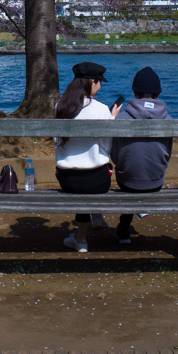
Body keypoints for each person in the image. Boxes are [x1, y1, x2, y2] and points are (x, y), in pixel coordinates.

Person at [55, 61, 122, 252]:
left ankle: (85, 233)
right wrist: (111, 119)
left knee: (81, 177)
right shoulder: (101, 109)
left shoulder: (59, 106)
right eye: (99, 82)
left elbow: (57, 143)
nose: (100, 87)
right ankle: (83, 234)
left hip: (68, 180)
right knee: (96, 170)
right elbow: (107, 147)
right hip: (97, 181)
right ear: (92, 82)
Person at [110, 66, 172, 245]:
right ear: (158, 95)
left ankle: (124, 230)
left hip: (127, 181)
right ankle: (127, 224)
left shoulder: (121, 119)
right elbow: (167, 154)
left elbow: (115, 155)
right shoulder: (169, 121)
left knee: (130, 174)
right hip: (155, 181)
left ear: (134, 93)